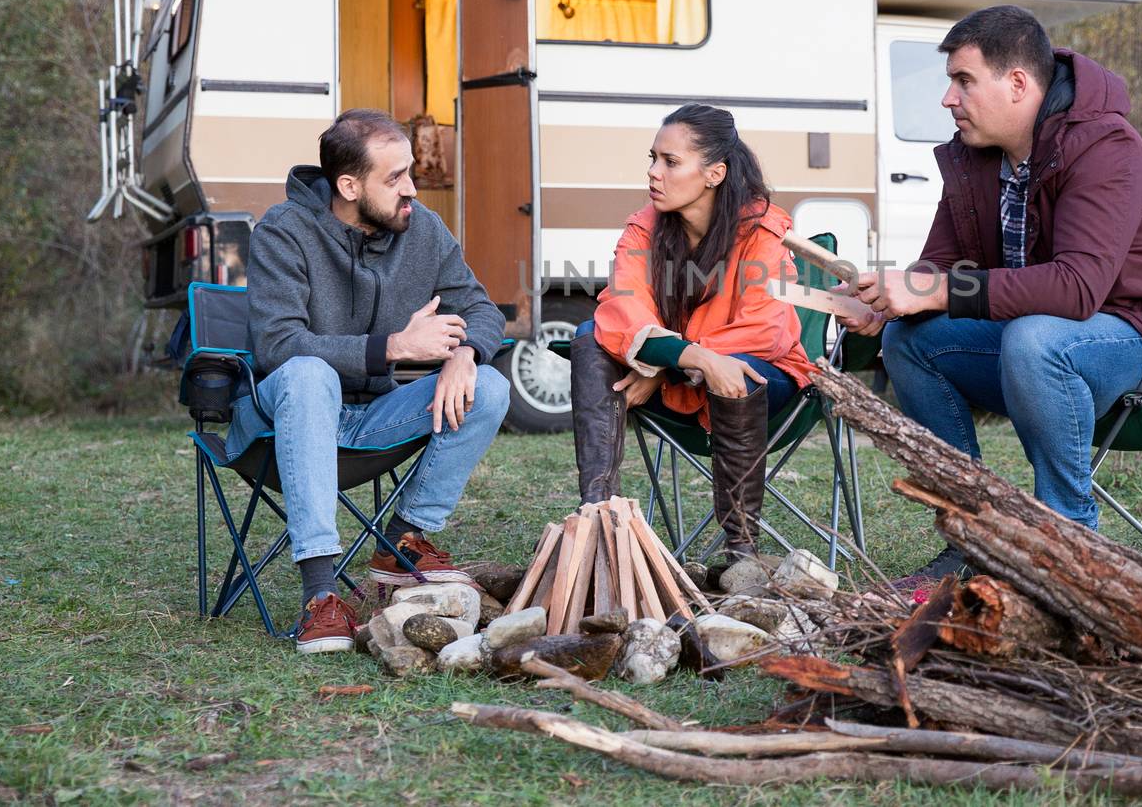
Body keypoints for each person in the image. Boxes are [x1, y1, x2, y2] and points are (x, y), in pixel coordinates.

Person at [842, 5, 1142, 582]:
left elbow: (1078, 286)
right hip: (1069, 338)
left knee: (1038, 339)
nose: (948, 100)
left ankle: (1070, 544)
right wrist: (884, 302)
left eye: (963, 81)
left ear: (1017, 84)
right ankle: (974, 533)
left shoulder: (1105, 146)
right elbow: (939, 265)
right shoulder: (975, 155)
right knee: (913, 339)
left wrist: (938, 290)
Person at [228, 109, 511, 653]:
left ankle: (401, 541)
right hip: (282, 422)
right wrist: (396, 347)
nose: (411, 189)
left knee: (490, 385)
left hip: (374, 420)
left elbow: (479, 306)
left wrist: (466, 353)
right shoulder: (283, 232)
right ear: (349, 185)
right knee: (308, 374)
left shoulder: (421, 227)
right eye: (395, 178)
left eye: (409, 173)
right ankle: (319, 594)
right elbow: (279, 346)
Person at [570, 103, 818, 565]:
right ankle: (597, 522)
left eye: (670, 162)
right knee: (588, 336)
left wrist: (668, 370)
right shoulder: (644, 228)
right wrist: (692, 361)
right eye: (652, 158)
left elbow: (767, 331)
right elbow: (621, 313)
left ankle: (741, 553)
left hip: (766, 381)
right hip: (685, 377)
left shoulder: (762, 230)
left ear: (714, 173)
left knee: (736, 374)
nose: (653, 173)